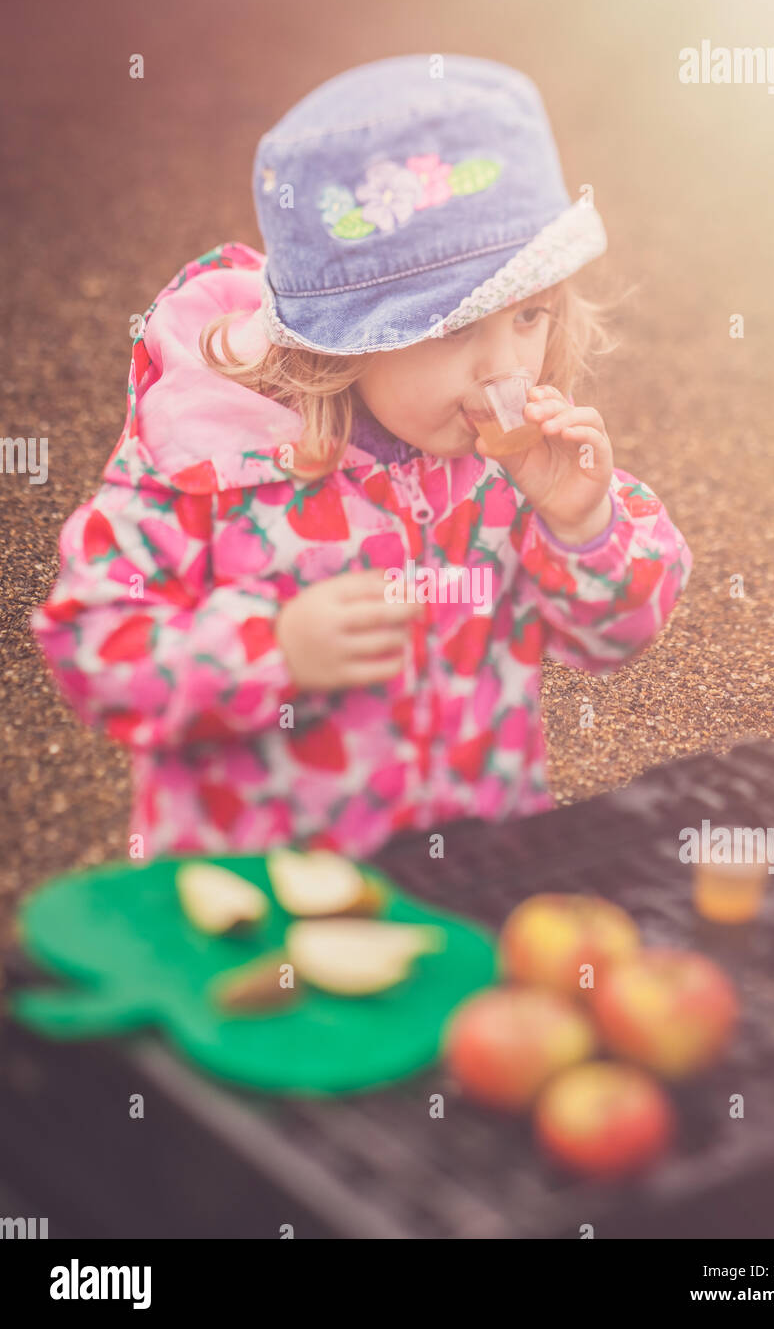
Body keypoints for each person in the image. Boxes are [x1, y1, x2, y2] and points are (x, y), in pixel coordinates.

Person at [31, 54, 693, 863]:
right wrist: (273, 651)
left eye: (529, 316)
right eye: (454, 327)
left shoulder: (513, 467)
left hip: (470, 888)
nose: (506, 372)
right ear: (338, 345)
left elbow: (614, 635)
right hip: (263, 909)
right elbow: (92, 644)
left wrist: (582, 522)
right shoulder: (206, 465)